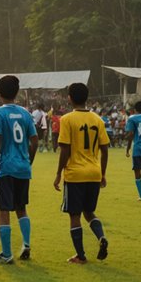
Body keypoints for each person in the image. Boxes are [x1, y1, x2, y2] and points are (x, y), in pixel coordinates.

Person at [54, 83, 110, 264]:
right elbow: (105, 149)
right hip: (94, 172)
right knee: (89, 212)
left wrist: (58, 174)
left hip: (75, 174)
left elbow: (65, 150)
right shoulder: (98, 119)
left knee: (75, 215)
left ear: (69, 98)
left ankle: (81, 255)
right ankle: (101, 237)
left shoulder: (67, 119)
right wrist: (102, 173)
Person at [0, 75, 38, 264]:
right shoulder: (25, 113)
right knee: (21, 208)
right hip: (23, 167)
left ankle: (6, 253)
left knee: (3, 209)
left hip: (6, 167)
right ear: (16, 92)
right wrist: (28, 161)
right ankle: (26, 243)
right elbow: (35, 141)